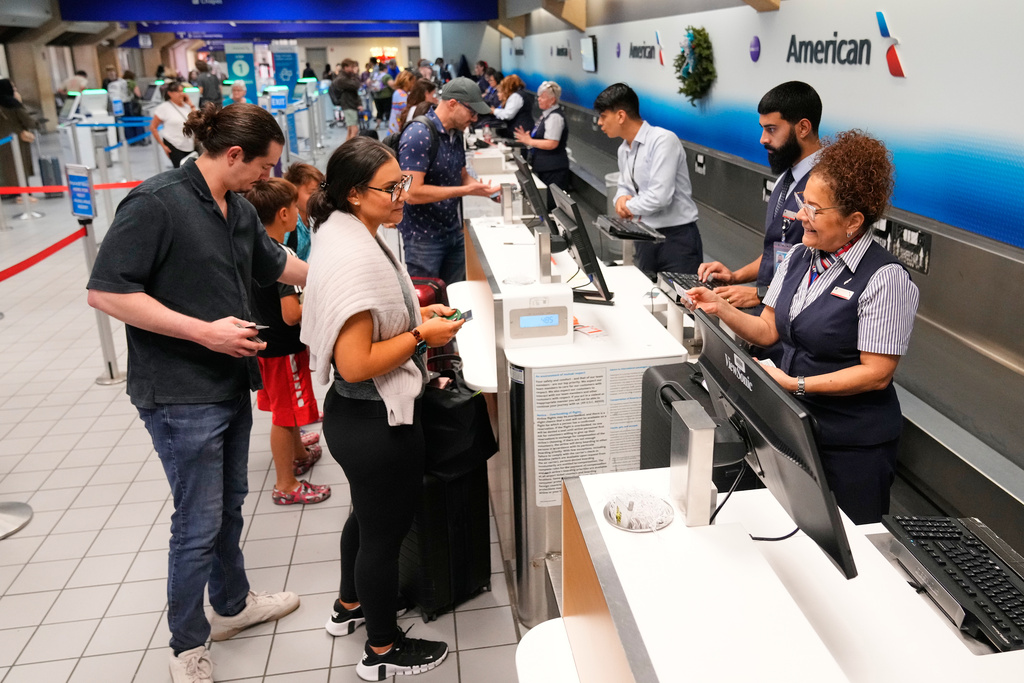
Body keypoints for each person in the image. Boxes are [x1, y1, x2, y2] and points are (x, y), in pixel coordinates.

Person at [86, 102, 307, 683]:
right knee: (197, 520)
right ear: (233, 155)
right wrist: (202, 331)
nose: (269, 177)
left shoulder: (236, 208)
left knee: (229, 505)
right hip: (180, 394)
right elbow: (107, 293)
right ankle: (187, 645)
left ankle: (231, 606)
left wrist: (351, 271)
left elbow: (275, 263)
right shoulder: (156, 203)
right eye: (263, 166)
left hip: (229, 382)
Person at [686, 131, 919, 525]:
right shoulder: (799, 256)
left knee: (851, 556)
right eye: (801, 203)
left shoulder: (885, 279)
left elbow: (877, 374)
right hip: (795, 427)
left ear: (854, 222)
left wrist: (796, 385)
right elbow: (767, 329)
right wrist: (720, 307)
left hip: (850, 445)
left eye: (814, 209)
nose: (799, 217)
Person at [301, 136, 463, 680]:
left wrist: (421, 313)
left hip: (352, 418)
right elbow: (355, 362)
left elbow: (371, 323)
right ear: (352, 193)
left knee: (365, 519)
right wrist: (422, 333)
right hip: (374, 420)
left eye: (403, 182)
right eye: (391, 187)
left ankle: (349, 605)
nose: (402, 193)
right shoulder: (354, 256)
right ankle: (382, 651)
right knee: (383, 537)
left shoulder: (347, 233)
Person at [699, 82, 823, 318]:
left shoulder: (828, 186)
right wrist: (735, 277)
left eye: (772, 129)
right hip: (767, 311)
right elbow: (778, 252)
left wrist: (760, 294)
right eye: (762, 129)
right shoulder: (785, 179)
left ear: (803, 127)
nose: (763, 139)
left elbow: (822, 271)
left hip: (794, 322)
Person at [243, 178, 331, 506]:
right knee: (284, 415)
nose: (298, 212)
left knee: (287, 407)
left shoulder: (252, 248)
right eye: (295, 207)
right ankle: (286, 484)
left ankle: (298, 450)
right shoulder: (282, 256)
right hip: (283, 348)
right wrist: (321, 300)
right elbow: (292, 314)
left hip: (265, 343)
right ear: (283, 214)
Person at [396, 77, 499, 284]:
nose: (474, 119)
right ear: (452, 104)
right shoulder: (419, 134)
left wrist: (486, 191)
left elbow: (462, 177)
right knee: (429, 301)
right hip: (423, 239)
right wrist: (463, 191)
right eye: (472, 112)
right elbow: (412, 193)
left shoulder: (456, 134)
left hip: (453, 231)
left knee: (456, 295)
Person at [594, 82, 702, 275]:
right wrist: (620, 198)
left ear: (620, 115)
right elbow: (625, 186)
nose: (599, 122)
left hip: (676, 240)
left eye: (603, 116)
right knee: (647, 299)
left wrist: (627, 206)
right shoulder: (624, 149)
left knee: (680, 303)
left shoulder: (662, 141)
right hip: (644, 235)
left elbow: (660, 197)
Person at [513, 80, 570, 210]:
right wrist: (528, 138)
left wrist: (529, 141)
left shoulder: (555, 117)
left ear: (552, 100)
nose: (539, 99)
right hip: (545, 167)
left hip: (554, 168)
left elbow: (552, 143)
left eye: (542, 97)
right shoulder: (546, 116)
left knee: (553, 206)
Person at [0, 78, 38, 192]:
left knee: (6, 167)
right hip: (16, 139)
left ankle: (8, 191)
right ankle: (23, 194)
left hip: (3, 140)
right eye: (13, 88)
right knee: (20, 166)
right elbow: (28, 121)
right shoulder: (12, 103)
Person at [283, 162, 325, 261]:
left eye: (320, 192)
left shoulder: (315, 218)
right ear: (293, 192)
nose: (317, 197)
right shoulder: (287, 224)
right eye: (311, 193)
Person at [151, 81, 196, 168]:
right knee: (180, 170)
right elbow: (153, 127)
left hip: (190, 144)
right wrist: (163, 146)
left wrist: (190, 104)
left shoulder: (187, 107)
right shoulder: (163, 108)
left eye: (182, 91)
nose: (181, 94)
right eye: (178, 91)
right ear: (170, 93)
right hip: (174, 144)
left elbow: (198, 119)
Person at [329, 58, 362, 140]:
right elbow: (356, 85)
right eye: (351, 67)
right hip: (348, 105)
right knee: (354, 130)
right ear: (345, 67)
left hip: (349, 104)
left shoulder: (346, 77)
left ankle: (347, 149)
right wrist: (356, 74)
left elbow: (354, 90)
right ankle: (349, 149)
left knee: (350, 130)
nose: (353, 69)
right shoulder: (342, 79)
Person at [386, 70, 417, 135]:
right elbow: (407, 109)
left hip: (394, 130)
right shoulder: (401, 94)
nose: (414, 85)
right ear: (407, 81)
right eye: (413, 82)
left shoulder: (398, 92)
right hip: (396, 131)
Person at [369, 64, 393, 128]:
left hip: (376, 96)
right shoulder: (386, 76)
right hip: (386, 96)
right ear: (385, 69)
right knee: (387, 110)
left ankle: (378, 124)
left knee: (379, 111)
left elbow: (368, 82)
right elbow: (392, 85)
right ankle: (388, 123)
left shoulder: (375, 76)